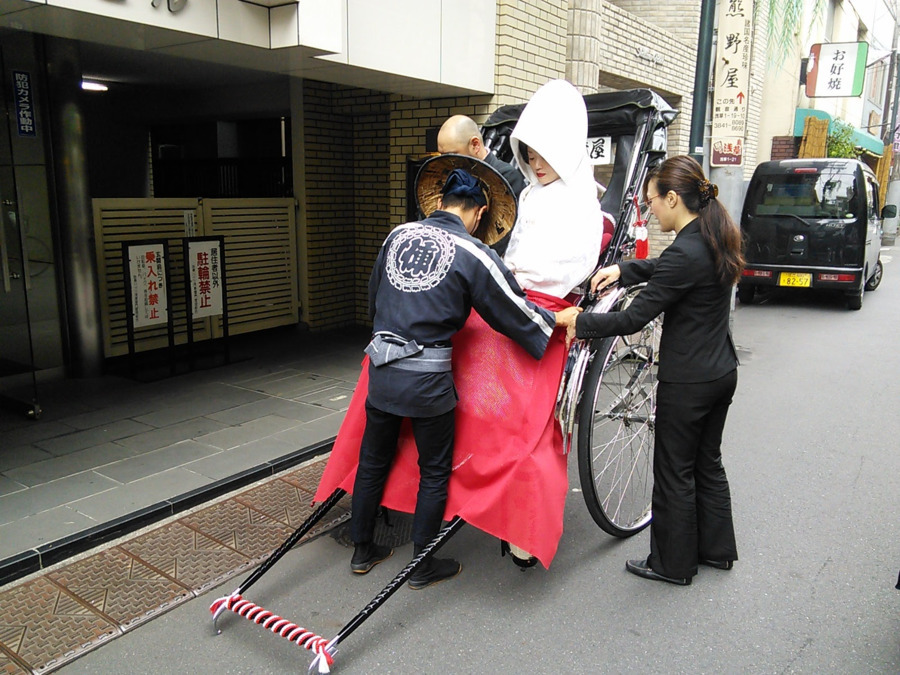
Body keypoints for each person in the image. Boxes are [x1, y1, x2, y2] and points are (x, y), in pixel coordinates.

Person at [349, 160, 581, 590]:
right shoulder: (474, 252)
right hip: (426, 382)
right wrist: (555, 320)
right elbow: (512, 310)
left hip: (381, 369)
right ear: (478, 212)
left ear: (440, 202)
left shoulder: (397, 235)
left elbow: (373, 297)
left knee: (373, 460)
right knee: (435, 470)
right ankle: (421, 566)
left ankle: (362, 550)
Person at [564, 155, 744, 586]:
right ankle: (716, 550)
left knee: (673, 470)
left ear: (673, 198)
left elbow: (633, 319)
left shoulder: (687, 249)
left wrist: (580, 322)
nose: (650, 210)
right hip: (721, 370)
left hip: (689, 380)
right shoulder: (712, 235)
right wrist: (623, 270)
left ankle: (672, 564)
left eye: (652, 201)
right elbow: (667, 270)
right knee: (707, 462)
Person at [503, 79, 606, 300]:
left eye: (545, 158)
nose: (537, 166)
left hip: (550, 297)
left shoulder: (580, 198)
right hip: (516, 289)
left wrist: (523, 279)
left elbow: (571, 260)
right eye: (531, 157)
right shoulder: (530, 193)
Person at [437, 114, 527, 199]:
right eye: (442, 156)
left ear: (475, 145)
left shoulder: (507, 177)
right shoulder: (448, 177)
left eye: (451, 155)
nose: (445, 162)